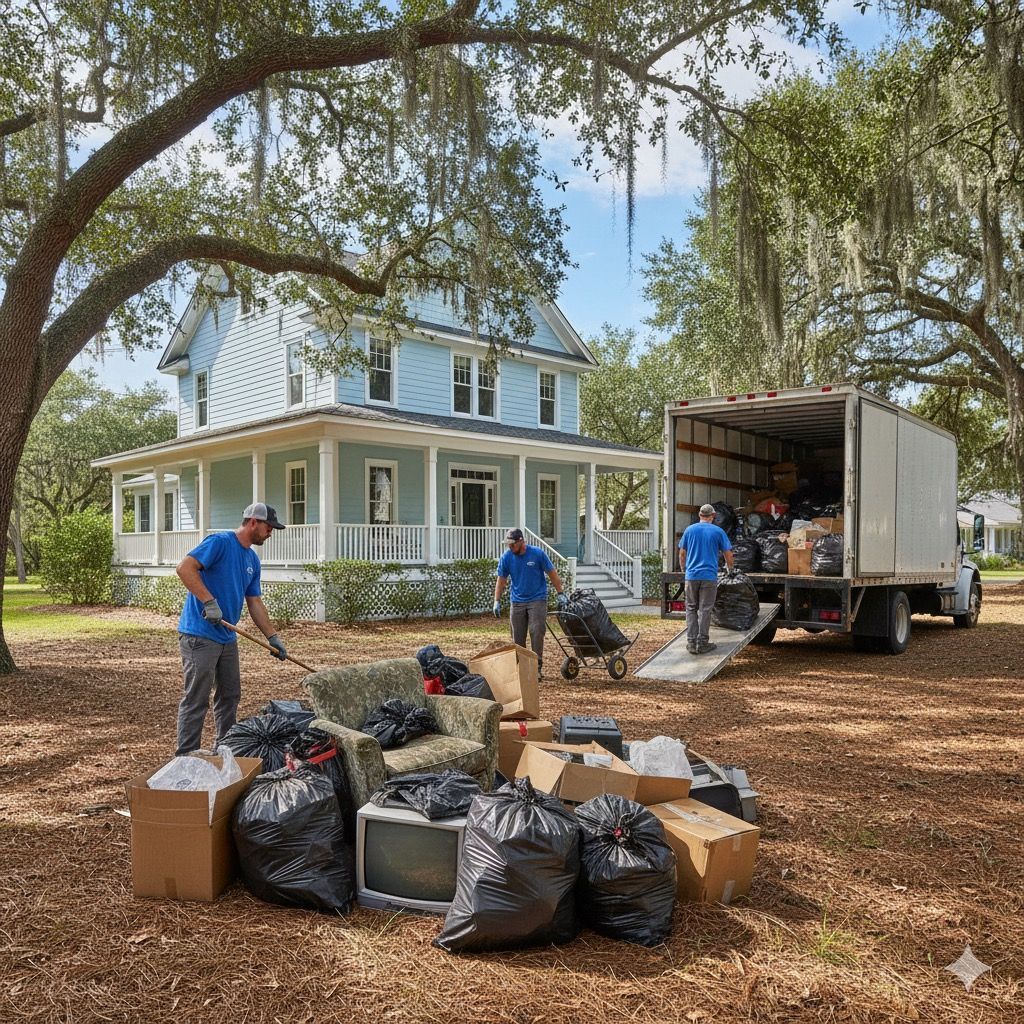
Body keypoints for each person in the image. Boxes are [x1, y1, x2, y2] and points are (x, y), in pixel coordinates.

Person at [174, 502, 289, 755]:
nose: (271, 533)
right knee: (197, 699)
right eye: (269, 527)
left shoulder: (251, 559)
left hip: (227, 636)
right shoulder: (220, 543)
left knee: (230, 695)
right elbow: (185, 568)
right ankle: (185, 757)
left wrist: (272, 636)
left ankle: (224, 751)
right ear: (253, 523)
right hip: (199, 635)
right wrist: (208, 601)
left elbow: (254, 601)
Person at [493, 528, 567, 674]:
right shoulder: (507, 557)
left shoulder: (537, 554)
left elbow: (552, 573)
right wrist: (496, 600)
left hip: (537, 599)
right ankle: (521, 667)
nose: (510, 547)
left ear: (521, 541)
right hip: (517, 601)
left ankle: (536, 666)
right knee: (517, 636)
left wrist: (561, 593)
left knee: (536, 630)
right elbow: (501, 580)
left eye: (512, 544)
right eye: (508, 544)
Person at [678, 503, 734, 655]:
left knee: (690, 608)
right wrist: (730, 570)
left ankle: (691, 642)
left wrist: (684, 570)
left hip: (691, 576)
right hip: (709, 576)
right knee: (705, 610)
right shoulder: (718, 531)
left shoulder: (690, 530)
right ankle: (702, 642)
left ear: (699, 515)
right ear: (713, 516)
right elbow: (728, 554)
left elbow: (682, 553)